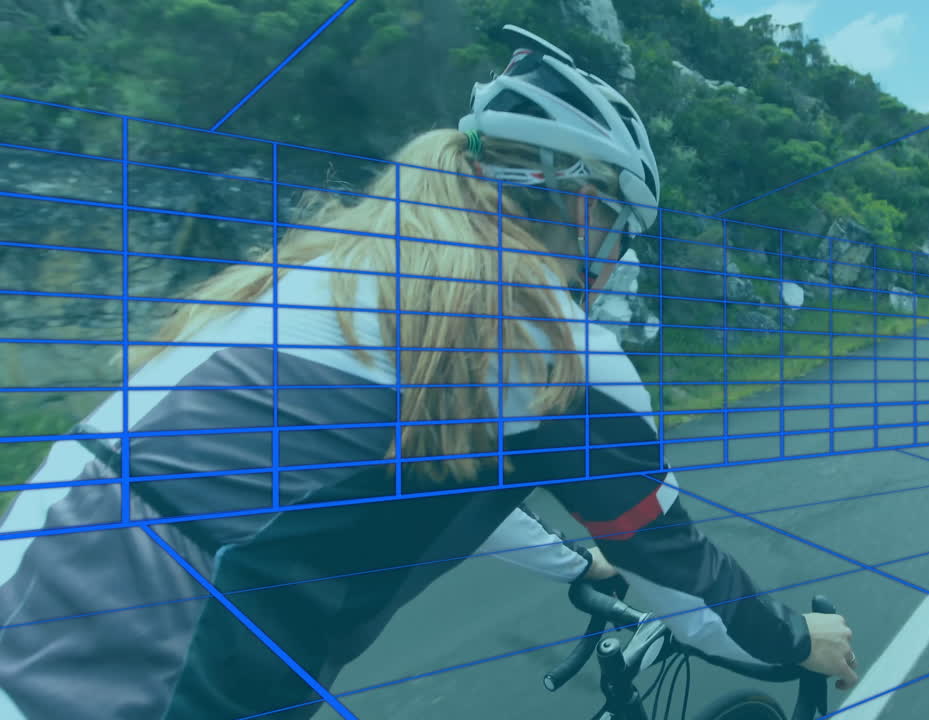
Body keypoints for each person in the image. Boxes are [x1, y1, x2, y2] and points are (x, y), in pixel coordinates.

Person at [0, 25, 858, 719]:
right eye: (620, 229)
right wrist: (796, 643)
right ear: (589, 204)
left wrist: (574, 566)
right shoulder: (548, 342)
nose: (613, 257)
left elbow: (418, 474)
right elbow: (683, 574)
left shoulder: (320, 273)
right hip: (141, 680)